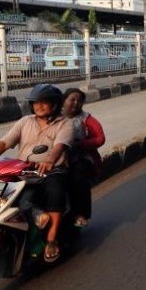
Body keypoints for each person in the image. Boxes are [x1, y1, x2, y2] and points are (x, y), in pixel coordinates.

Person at [0, 83, 72, 263]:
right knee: (3, 196)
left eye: (44, 102)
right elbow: (4, 144)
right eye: (36, 102)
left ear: (55, 104)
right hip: (23, 170)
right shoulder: (24, 122)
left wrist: (49, 160)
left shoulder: (65, 124)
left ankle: (52, 239)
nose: (39, 106)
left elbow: (59, 147)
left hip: (52, 171)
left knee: (56, 192)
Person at [62, 88, 106, 228]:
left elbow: (100, 138)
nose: (75, 103)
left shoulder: (87, 119)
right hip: (57, 157)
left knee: (78, 177)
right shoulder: (55, 116)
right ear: (64, 100)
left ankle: (81, 213)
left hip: (81, 157)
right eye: (72, 99)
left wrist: (81, 144)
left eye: (79, 100)